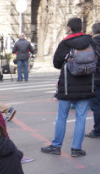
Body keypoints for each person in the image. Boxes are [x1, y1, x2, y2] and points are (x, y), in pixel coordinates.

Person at [41, 17, 95, 158]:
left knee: (62, 117)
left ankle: (56, 146)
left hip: (67, 85)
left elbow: (57, 63)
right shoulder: (90, 41)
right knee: (81, 118)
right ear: (82, 28)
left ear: (69, 29)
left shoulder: (65, 43)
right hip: (87, 84)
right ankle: (76, 149)